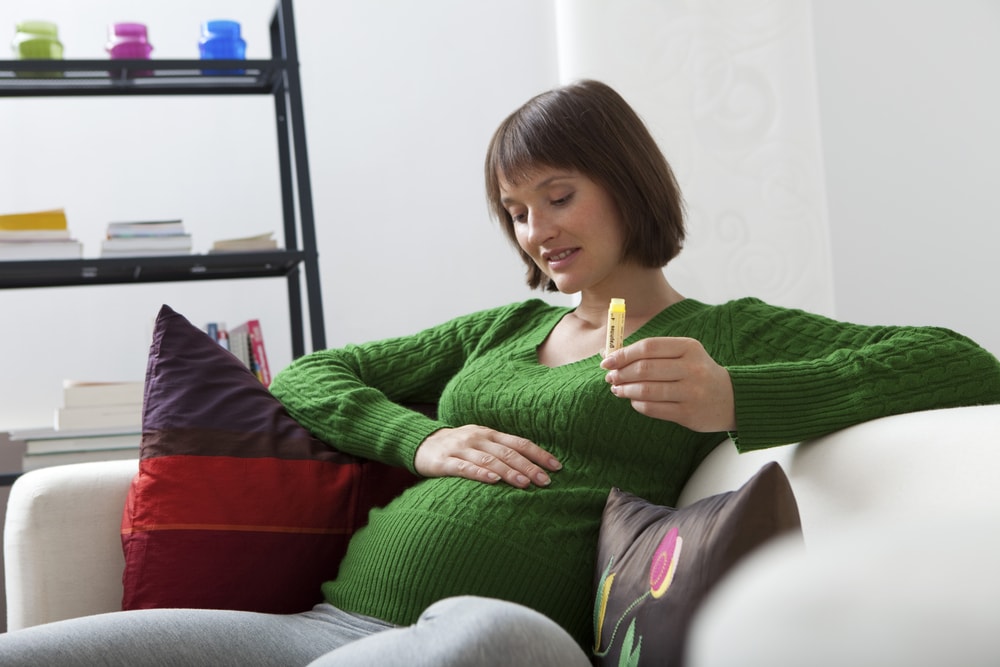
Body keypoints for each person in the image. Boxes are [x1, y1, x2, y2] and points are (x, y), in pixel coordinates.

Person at [2, 79, 999, 666]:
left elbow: (961, 361)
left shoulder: (723, 331)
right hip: (329, 628)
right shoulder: (504, 328)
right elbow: (312, 375)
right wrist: (421, 436)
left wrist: (739, 396)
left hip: (492, 639)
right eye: (517, 210)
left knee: (484, 640)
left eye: (557, 196)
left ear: (628, 185)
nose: (538, 231)